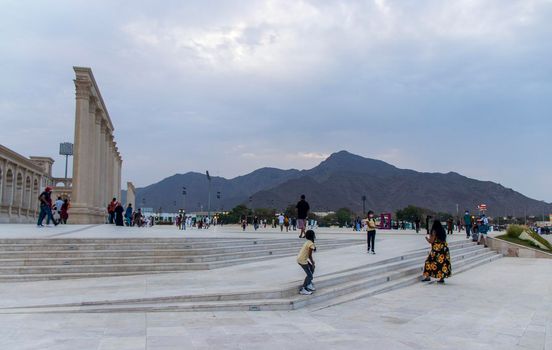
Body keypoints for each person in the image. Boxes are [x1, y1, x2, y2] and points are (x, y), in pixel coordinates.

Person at [297, 230, 316, 295]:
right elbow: (310, 255)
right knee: (310, 275)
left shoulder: (308, 242)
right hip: (302, 260)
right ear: (313, 236)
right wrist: (313, 262)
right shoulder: (311, 244)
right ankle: (303, 289)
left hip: (301, 258)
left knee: (312, 268)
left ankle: (309, 283)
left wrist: (312, 264)